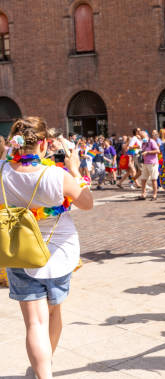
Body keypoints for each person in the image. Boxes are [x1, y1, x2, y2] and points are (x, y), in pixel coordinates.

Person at [2, 117, 94, 379]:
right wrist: (76, 171)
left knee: (35, 322)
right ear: (43, 144)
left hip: (19, 251)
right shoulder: (56, 175)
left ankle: (43, 372)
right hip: (59, 253)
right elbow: (87, 203)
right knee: (53, 313)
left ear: (16, 143)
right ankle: (44, 367)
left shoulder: (2, 171)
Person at [139, 131, 160, 200]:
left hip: (152, 163)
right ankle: (143, 194)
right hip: (145, 163)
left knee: (153, 179)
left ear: (146, 135)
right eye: (141, 137)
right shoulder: (143, 143)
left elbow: (158, 151)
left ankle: (155, 195)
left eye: (142, 137)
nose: (141, 138)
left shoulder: (152, 141)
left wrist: (147, 152)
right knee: (143, 179)